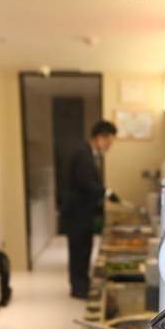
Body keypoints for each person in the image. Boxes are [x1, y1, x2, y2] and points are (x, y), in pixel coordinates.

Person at [61, 120, 117, 299]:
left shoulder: (89, 154)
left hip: (82, 212)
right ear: (100, 138)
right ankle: (79, 288)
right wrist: (107, 193)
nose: (108, 147)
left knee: (84, 249)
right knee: (79, 251)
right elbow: (86, 183)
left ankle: (82, 284)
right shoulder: (83, 154)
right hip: (77, 213)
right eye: (108, 142)